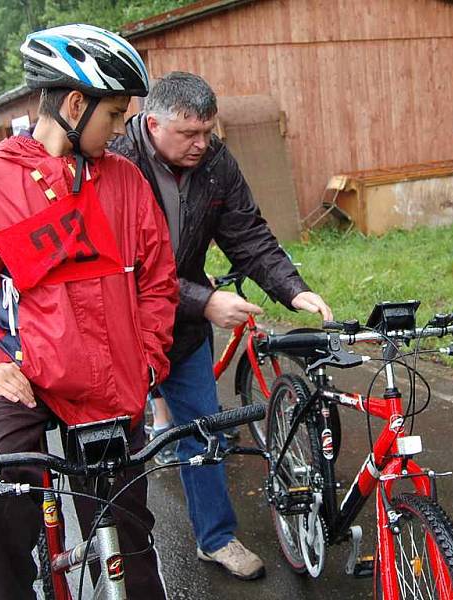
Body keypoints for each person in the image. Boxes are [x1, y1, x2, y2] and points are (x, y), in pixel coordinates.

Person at [0, 24, 178, 600]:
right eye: (114, 114)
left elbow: (157, 282)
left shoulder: (125, 181)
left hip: (108, 389)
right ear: (76, 105)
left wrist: (149, 357)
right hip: (23, 379)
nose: (121, 128)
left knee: (129, 550)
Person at [110, 71, 332, 581]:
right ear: (152, 123)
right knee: (120, 450)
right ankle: (124, 556)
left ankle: (215, 539)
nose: (202, 144)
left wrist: (291, 288)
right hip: (119, 329)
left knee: (203, 434)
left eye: (208, 132)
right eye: (189, 134)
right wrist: (206, 301)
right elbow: (126, 265)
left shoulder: (213, 162)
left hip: (181, 331)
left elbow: (247, 232)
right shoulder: (118, 163)